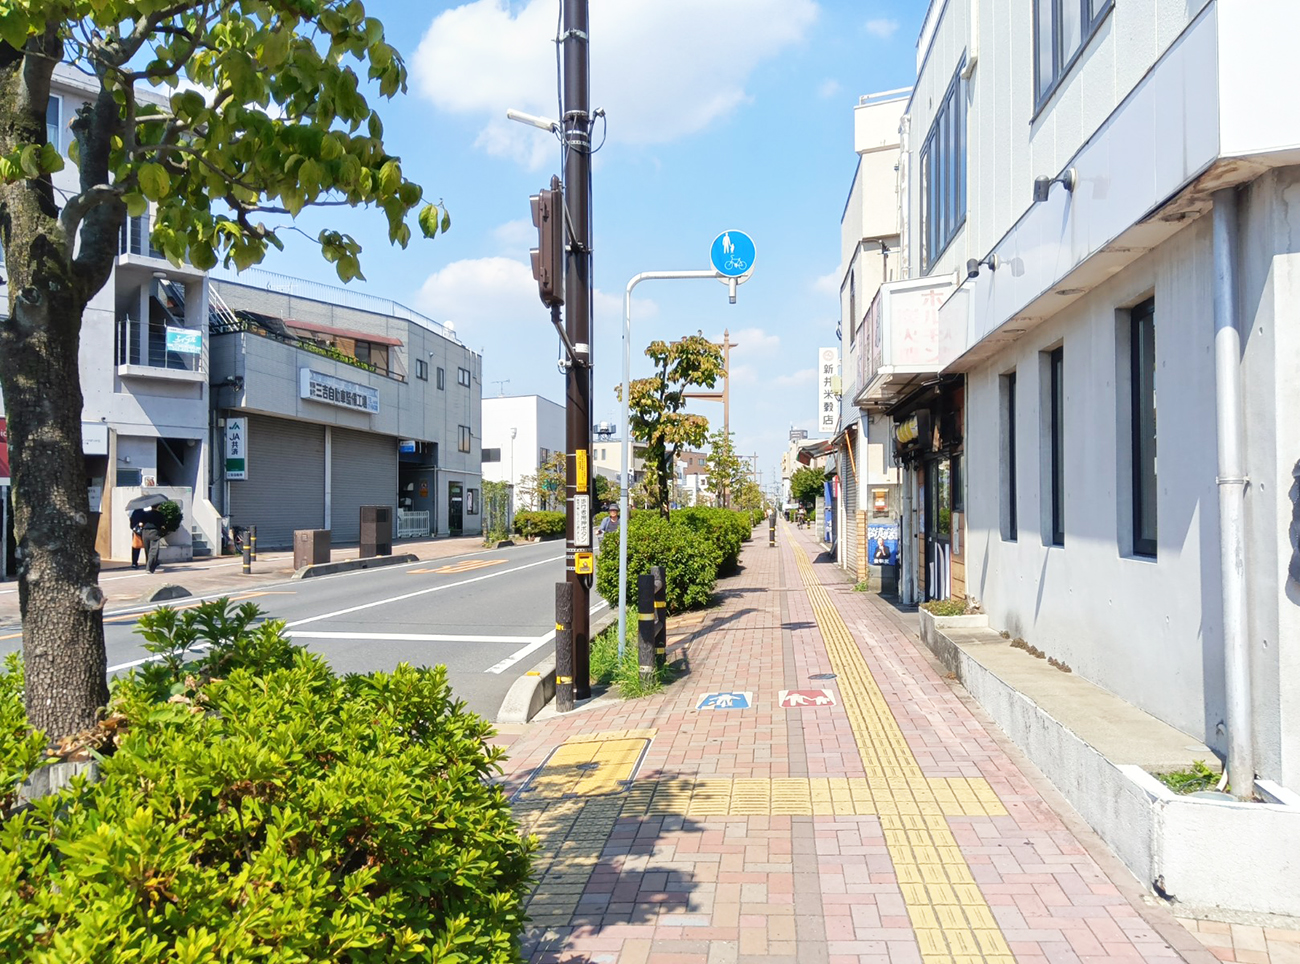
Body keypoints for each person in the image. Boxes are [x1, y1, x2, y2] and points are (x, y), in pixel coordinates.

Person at [137, 504, 166, 573]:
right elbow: (162, 525)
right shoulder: (159, 514)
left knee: (147, 550)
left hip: (145, 532)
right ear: (158, 506)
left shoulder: (145, 514)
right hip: (154, 532)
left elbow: (141, 523)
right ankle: (149, 568)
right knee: (153, 550)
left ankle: (148, 566)